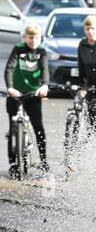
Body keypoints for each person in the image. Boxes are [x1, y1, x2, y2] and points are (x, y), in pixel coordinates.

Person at [4, 23, 50, 175]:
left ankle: (44, 161)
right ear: (25, 37)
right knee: (12, 128)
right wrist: (10, 88)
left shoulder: (42, 52)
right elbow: (9, 69)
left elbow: (44, 70)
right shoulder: (18, 49)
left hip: (32, 94)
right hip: (15, 93)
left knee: (39, 128)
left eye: (37, 38)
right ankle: (13, 162)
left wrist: (44, 86)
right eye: (31, 38)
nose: (34, 41)